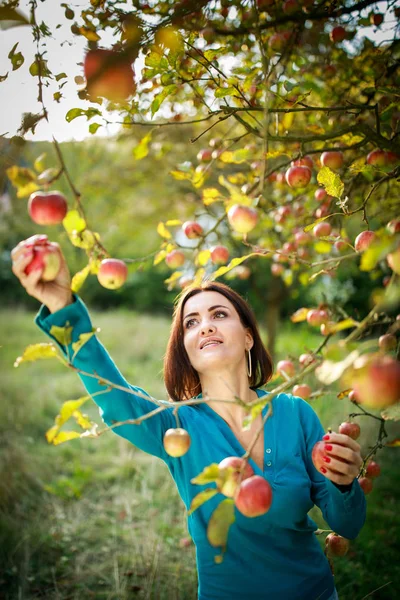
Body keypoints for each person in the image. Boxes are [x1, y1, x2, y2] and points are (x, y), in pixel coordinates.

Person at [11, 235, 366, 600]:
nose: (205, 326)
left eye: (219, 314)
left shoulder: (295, 413)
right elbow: (117, 401)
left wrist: (344, 483)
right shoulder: (178, 426)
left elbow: (348, 524)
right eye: (191, 323)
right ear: (186, 349)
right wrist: (61, 306)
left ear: (247, 338)